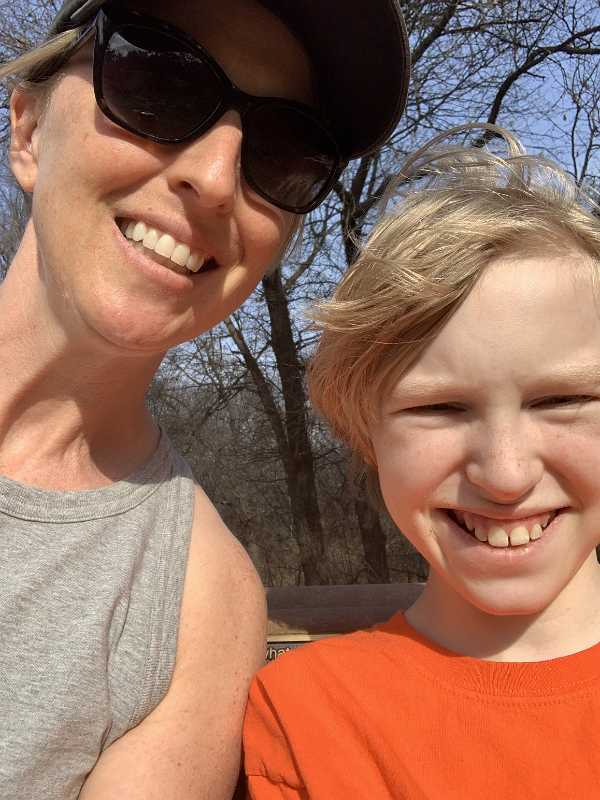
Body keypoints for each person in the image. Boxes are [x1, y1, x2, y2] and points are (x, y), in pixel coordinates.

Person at [0, 1, 410, 798]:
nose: (217, 178)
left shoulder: (201, 609)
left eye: (285, 151)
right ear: (28, 128)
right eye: (159, 81)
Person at [242, 123, 600, 798]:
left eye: (563, 399)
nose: (506, 475)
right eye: (439, 408)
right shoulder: (309, 718)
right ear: (366, 436)